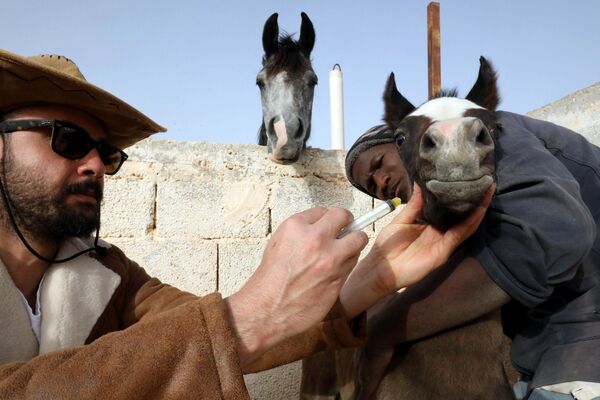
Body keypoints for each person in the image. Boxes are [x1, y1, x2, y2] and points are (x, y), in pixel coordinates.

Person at [0, 49, 490, 399]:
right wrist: (255, 312)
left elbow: (211, 339)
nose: (92, 165)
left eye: (104, 152)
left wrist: (372, 278)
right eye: (67, 140)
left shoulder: (113, 278)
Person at [345, 120, 600, 399]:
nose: (381, 183)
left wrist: (383, 335)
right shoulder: (452, 207)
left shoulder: (485, 132)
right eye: (372, 186)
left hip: (583, 356)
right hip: (544, 362)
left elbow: (557, 229)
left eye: (379, 163)